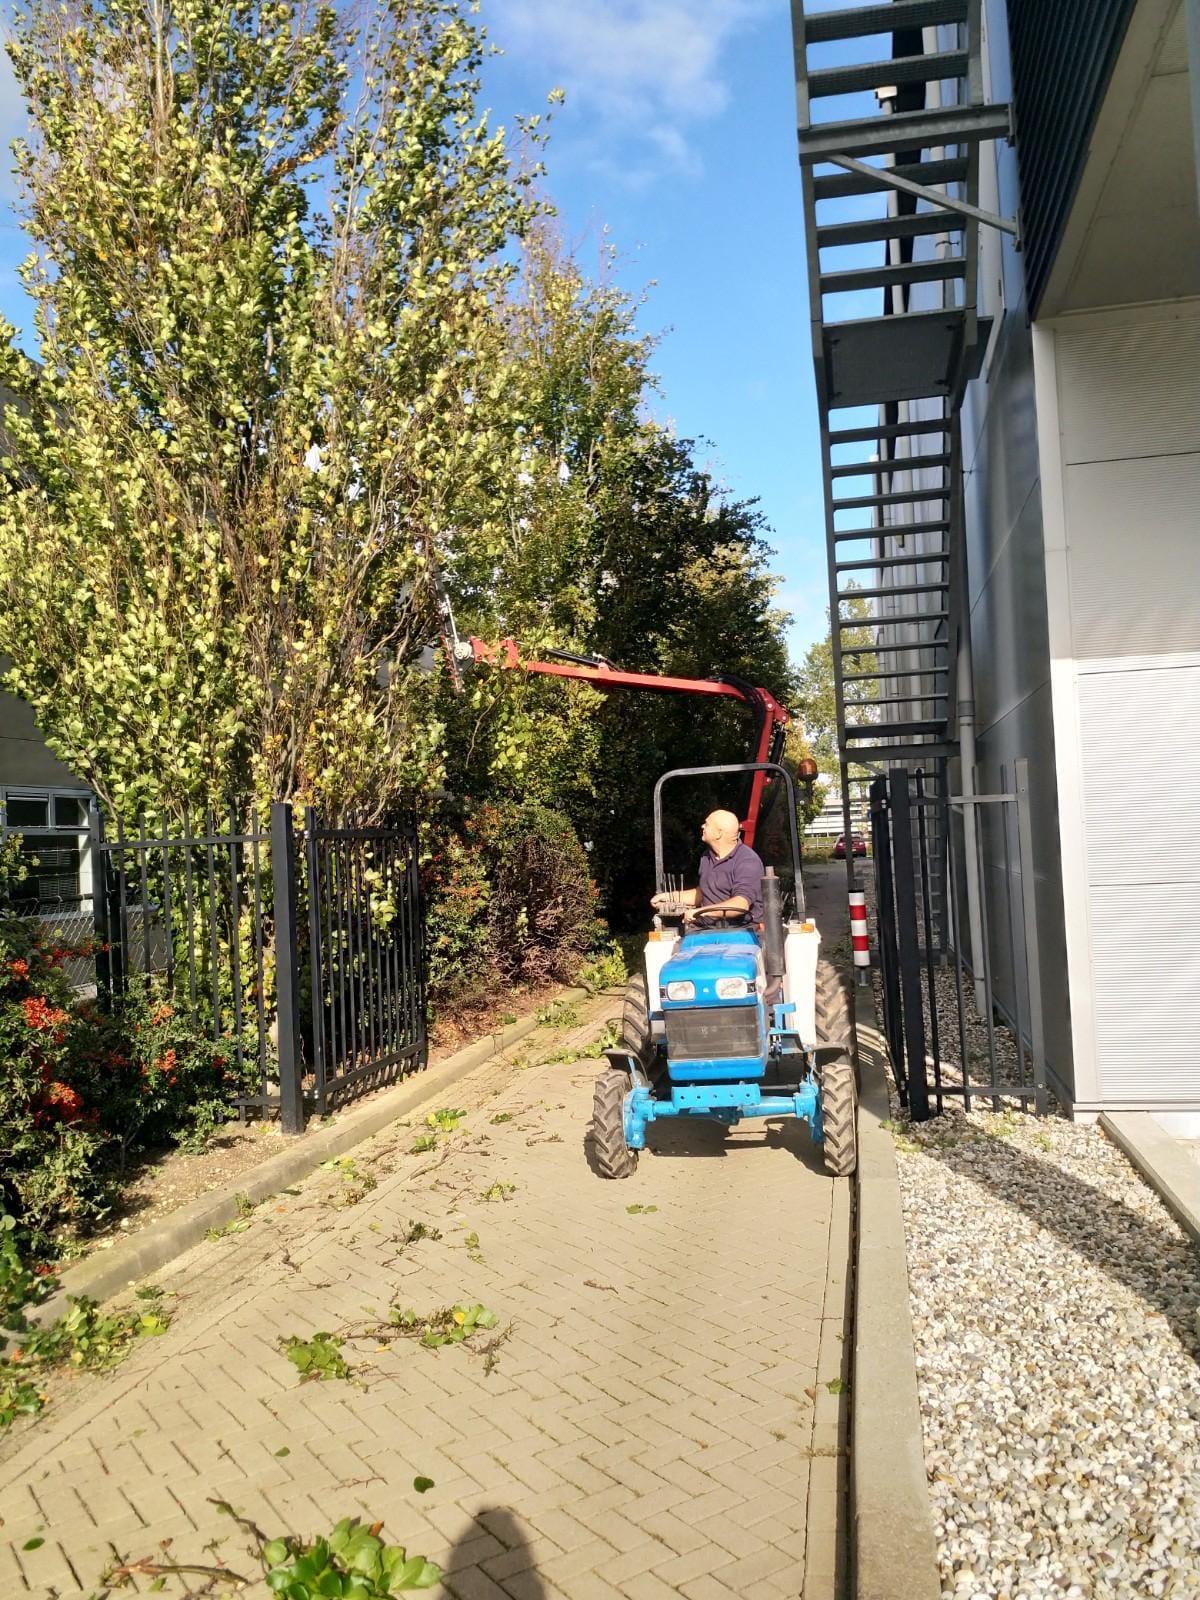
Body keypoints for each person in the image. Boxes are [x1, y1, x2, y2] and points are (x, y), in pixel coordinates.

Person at [650, 809, 765, 926]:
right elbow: (703, 893)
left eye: (707, 824)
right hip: (706, 930)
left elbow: (741, 904)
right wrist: (668, 897)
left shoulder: (747, 860)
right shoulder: (706, 857)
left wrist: (701, 912)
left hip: (740, 933)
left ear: (718, 833)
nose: (702, 826)